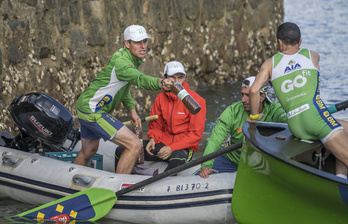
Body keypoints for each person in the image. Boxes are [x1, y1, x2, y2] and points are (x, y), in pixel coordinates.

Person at [247, 22, 348, 178]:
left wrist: (254, 117)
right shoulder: (312, 55)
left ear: (279, 42)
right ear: (300, 41)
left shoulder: (269, 64)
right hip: (315, 117)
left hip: (295, 124)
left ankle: (341, 180)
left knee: (345, 127)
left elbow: (254, 90)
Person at [74, 25, 172, 174]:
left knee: (89, 151)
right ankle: (118, 187)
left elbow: (124, 88)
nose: (143, 46)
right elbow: (140, 79)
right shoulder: (122, 63)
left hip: (86, 106)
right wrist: (160, 82)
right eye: (138, 42)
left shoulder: (127, 58)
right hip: (93, 110)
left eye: (145, 41)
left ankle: (72, 182)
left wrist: (132, 111)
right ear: (127, 43)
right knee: (134, 144)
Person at [199, 76, 287, 178]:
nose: (243, 99)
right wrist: (206, 165)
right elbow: (216, 139)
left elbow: (291, 127)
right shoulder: (233, 111)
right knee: (199, 177)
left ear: (262, 96)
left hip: (263, 163)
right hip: (232, 160)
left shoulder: (275, 110)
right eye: (242, 94)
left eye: (248, 95)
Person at [144, 61, 206, 172]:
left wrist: (172, 148)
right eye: (172, 77)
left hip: (184, 147)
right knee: (124, 150)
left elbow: (195, 135)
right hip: (163, 142)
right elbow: (155, 126)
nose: (177, 82)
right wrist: (153, 138)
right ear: (165, 78)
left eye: (180, 77)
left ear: (185, 77)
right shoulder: (159, 99)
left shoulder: (197, 101)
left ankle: (160, 185)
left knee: (177, 159)